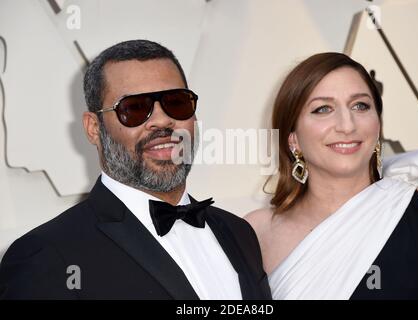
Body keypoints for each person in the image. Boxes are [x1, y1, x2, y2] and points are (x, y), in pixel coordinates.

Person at [0, 40, 271, 300]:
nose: (163, 120)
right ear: (94, 128)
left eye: (176, 102)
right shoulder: (47, 254)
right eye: (135, 108)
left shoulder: (239, 233)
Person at [245, 52, 418, 299]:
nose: (347, 125)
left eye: (360, 106)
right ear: (293, 139)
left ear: (378, 125)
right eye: (323, 109)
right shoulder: (257, 232)